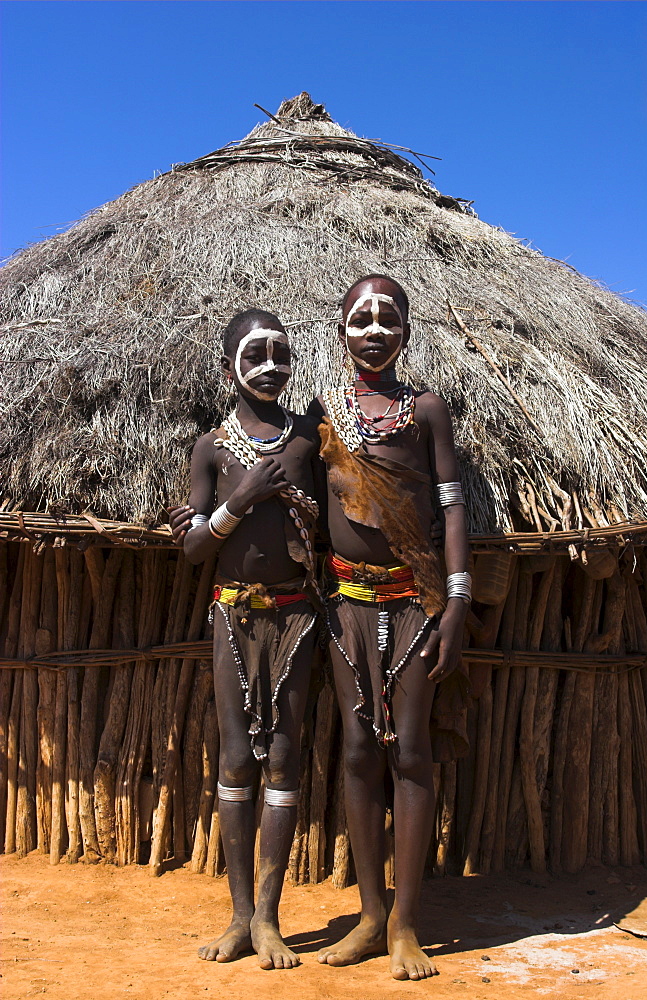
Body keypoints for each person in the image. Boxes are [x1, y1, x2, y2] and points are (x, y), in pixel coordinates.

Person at [306, 275, 470, 982]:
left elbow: (453, 507)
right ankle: (370, 917)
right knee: (356, 749)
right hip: (345, 603)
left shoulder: (426, 410)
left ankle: (406, 924)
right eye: (361, 319)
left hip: (415, 602)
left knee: (408, 752)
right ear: (340, 330)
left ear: (408, 329)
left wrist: (456, 603)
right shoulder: (322, 414)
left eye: (388, 318)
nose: (374, 330)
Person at [173, 308, 322, 970]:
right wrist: (245, 498)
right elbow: (194, 549)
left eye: (281, 354)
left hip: (297, 618)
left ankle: (268, 918)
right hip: (234, 617)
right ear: (227, 363)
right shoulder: (211, 448)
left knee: (284, 760)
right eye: (255, 354)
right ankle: (237, 916)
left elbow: (336, 521)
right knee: (237, 762)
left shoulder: (310, 441)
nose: (270, 366)